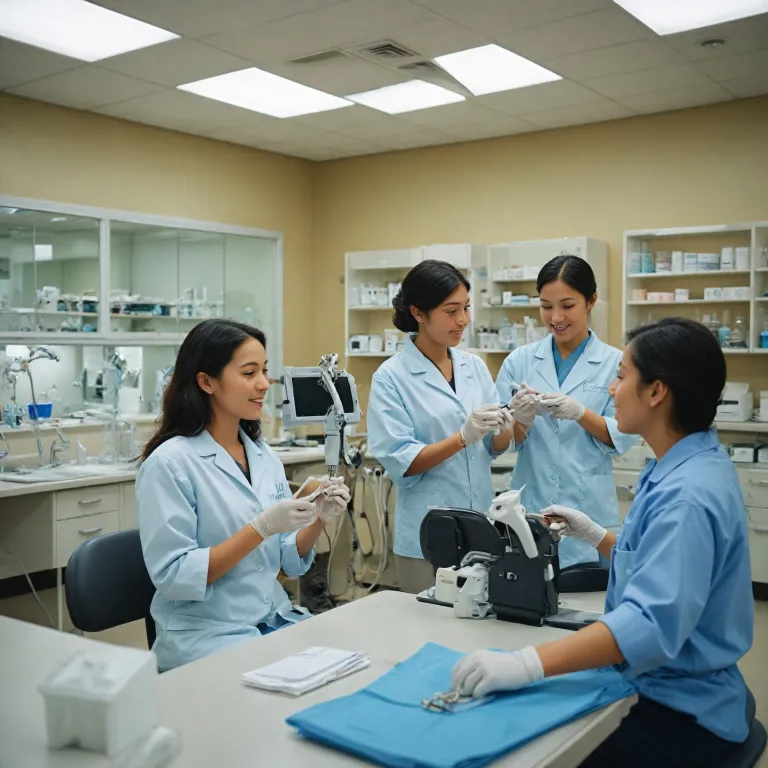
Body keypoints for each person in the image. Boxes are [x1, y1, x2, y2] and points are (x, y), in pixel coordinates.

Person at [453, 318, 754, 768]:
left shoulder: (687, 497)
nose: (612, 390)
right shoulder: (682, 464)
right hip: (664, 683)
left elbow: (649, 625)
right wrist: (597, 535)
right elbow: (662, 567)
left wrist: (526, 664)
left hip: (677, 708)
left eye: (621, 376)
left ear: (656, 392)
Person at [136, 319, 351, 671]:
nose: (265, 384)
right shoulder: (170, 464)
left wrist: (318, 518)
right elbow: (175, 575)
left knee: (346, 666)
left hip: (270, 618)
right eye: (249, 373)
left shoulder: (261, 455)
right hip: (207, 634)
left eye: (265, 371)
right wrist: (261, 527)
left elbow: (287, 561)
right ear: (206, 381)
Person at [368, 260, 516, 594]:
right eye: (451, 311)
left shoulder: (473, 366)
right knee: (427, 632)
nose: (462, 320)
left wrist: (509, 422)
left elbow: (493, 448)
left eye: (466, 308)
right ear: (418, 313)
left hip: (480, 527)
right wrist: (462, 437)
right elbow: (402, 462)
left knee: (478, 625)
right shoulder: (391, 377)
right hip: (427, 535)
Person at [496, 255, 636, 569]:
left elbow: (621, 436)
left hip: (590, 510)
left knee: (589, 607)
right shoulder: (519, 361)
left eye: (567, 305)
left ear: (591, 301)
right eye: (546, 306)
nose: (556, 317)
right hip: (531, 505)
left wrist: (580, 413)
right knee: (528, 600)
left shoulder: (616, 363)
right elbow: (504, 440)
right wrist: (521, 420)